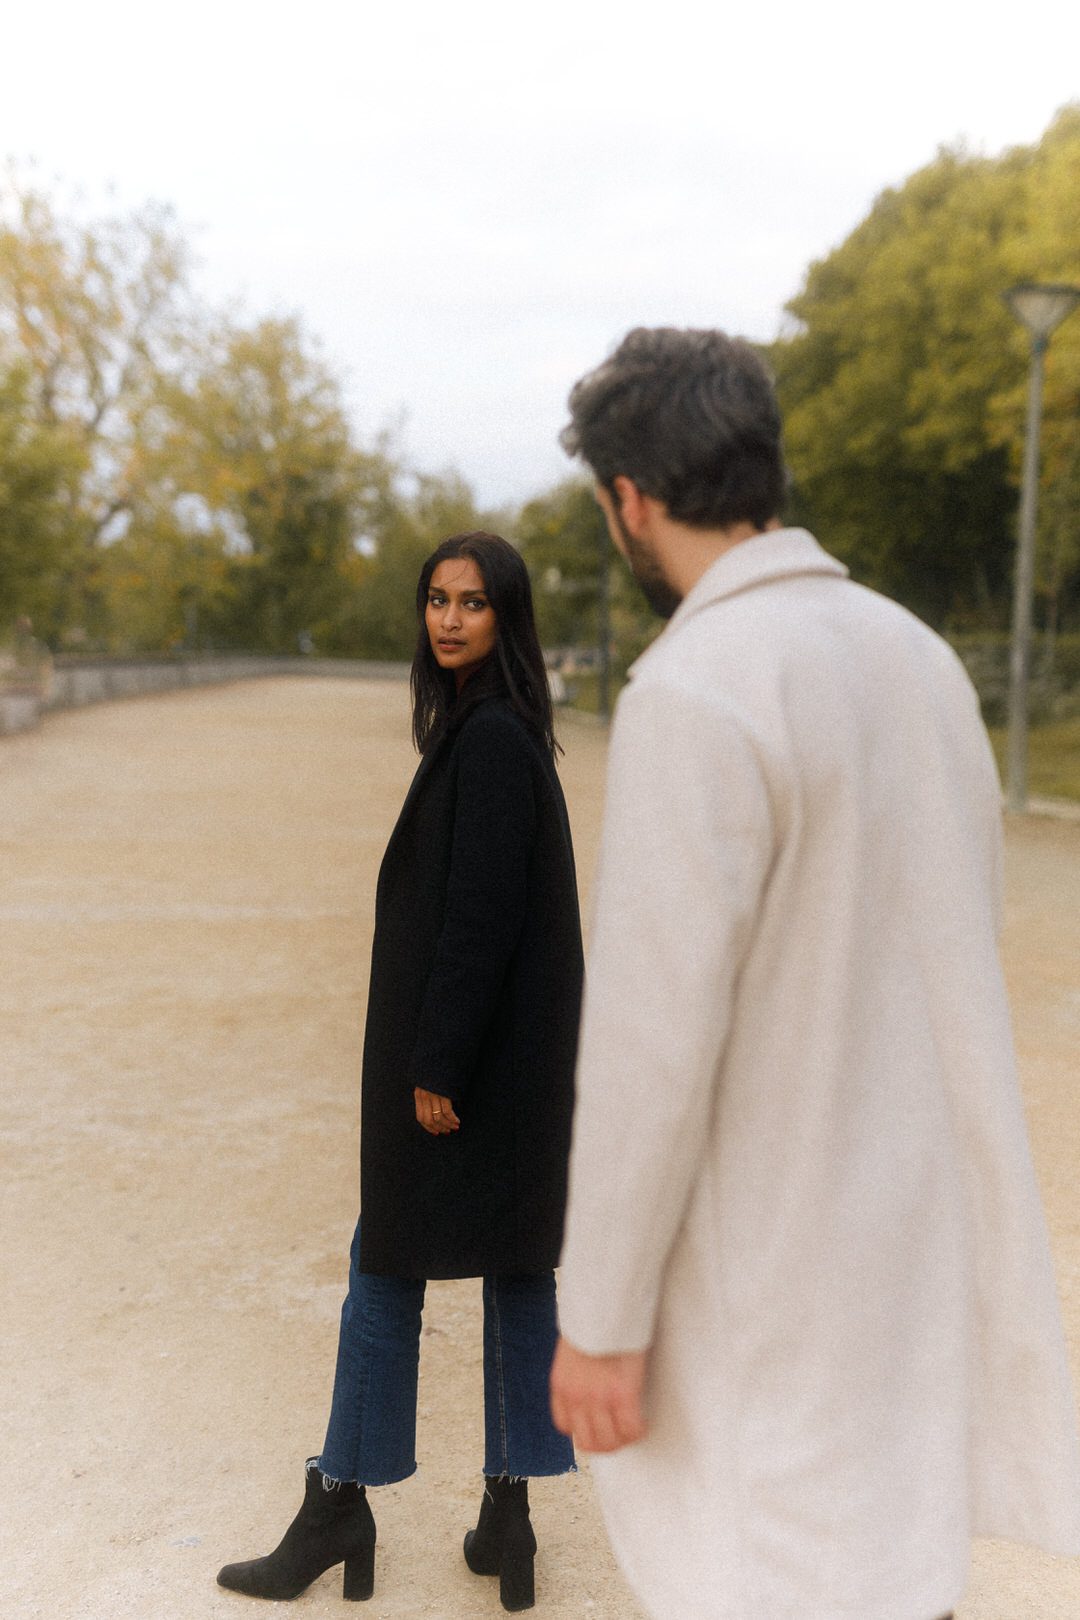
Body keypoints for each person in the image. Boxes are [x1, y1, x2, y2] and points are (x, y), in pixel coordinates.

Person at [548, 327, 1080, 1620]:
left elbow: (649, 1041)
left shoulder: (698, 689)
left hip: (770, 1274)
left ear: (631, 501)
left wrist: (603, 1317)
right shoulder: (915, 657)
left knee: (772, 1569)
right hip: (910, 1245)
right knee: (902, 1576)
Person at [218, 532, 583, 1612]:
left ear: (507, 618)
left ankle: (339, 1502)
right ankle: (508, 1519)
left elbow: (477, 920)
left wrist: (435, 1065)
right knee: (518, 1270)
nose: (450, 619)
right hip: (509, 1072)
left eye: (473, 602)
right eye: (436, 599)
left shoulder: (493, 744)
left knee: (386, 1264)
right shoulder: (497, 732)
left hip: (465, 1073)